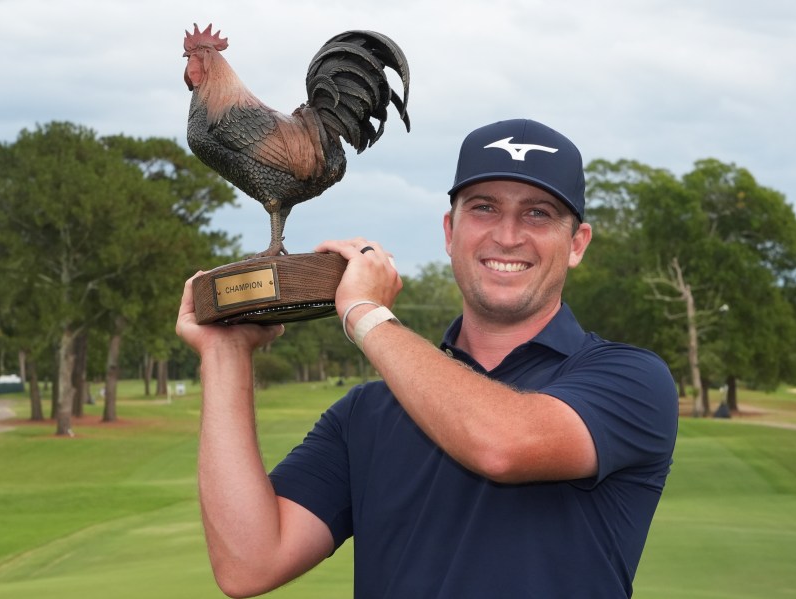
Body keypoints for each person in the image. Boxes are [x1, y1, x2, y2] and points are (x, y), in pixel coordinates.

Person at [176, 118, 679, 598]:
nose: (507, 235)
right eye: (483, 208)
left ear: (576, 244)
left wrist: (365, 314)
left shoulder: (631, 379)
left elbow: (502, 444)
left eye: (537, 213)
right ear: (448, 232)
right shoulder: (366, 415)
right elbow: (249, 563)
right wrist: (225, 354)